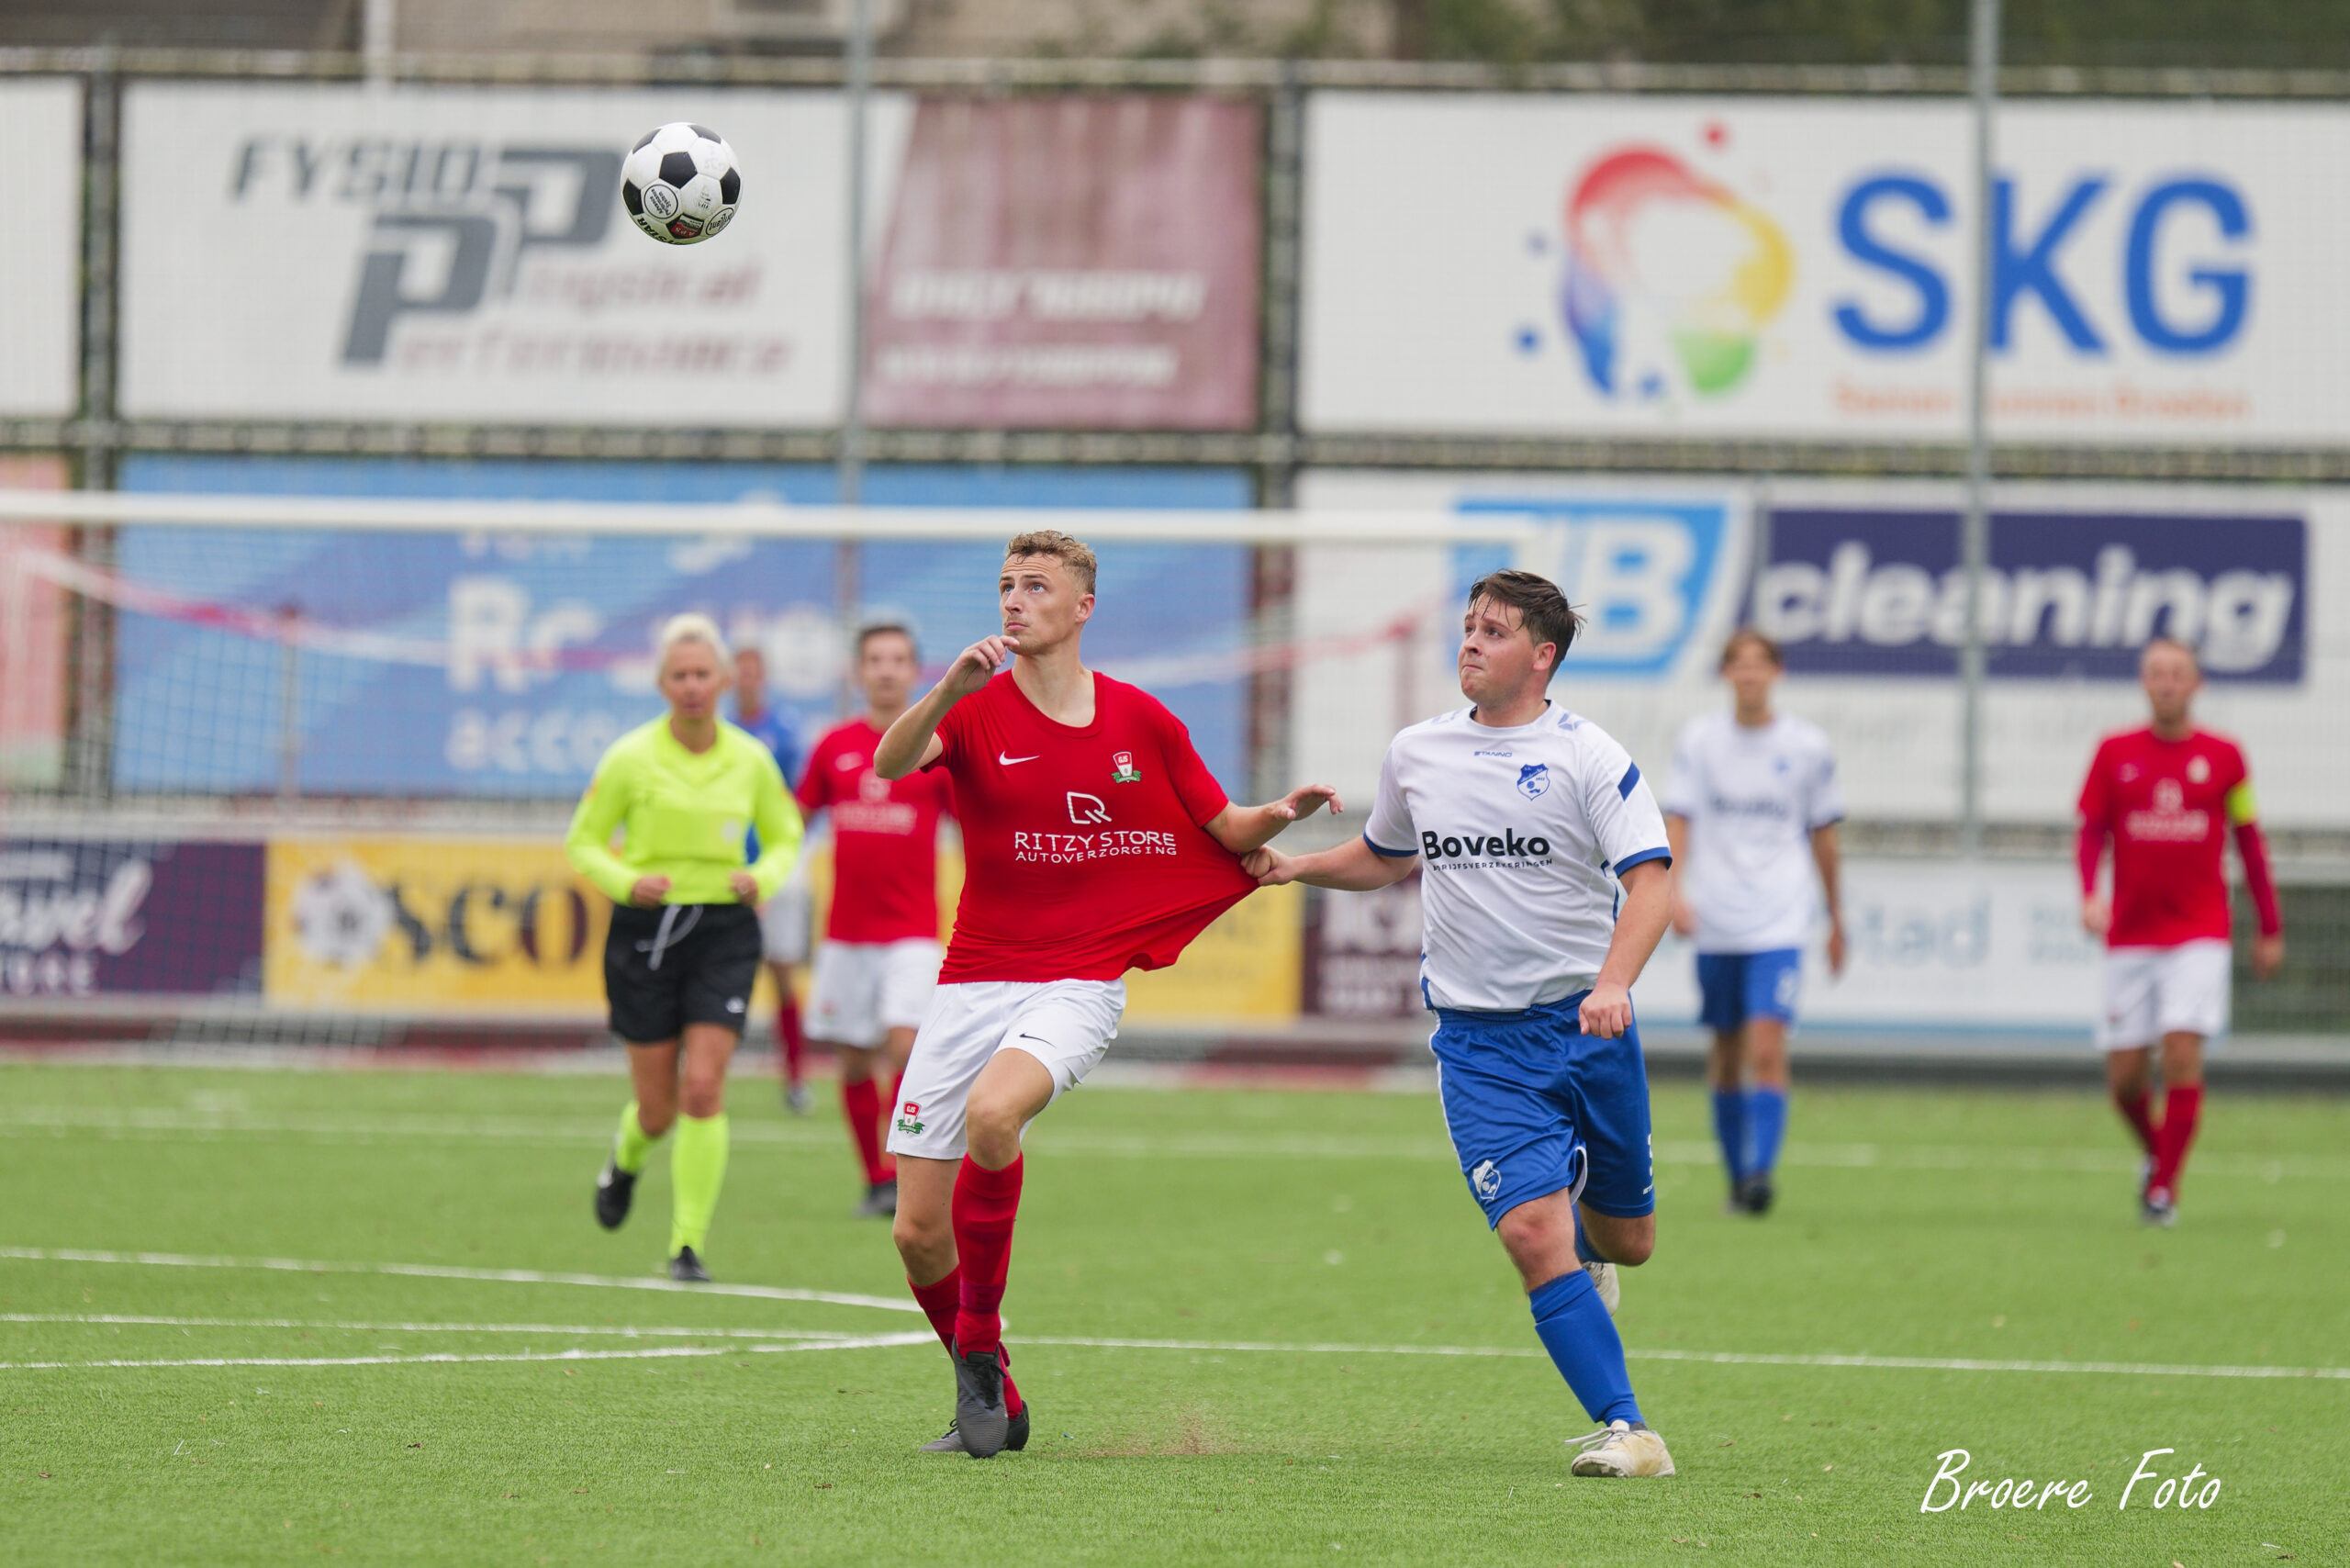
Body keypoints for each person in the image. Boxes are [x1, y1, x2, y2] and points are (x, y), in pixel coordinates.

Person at [873, 529, 1339, 1459]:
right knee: (917, 1232)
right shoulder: (971, 708)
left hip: (1077, 981)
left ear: (1083, 607)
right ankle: (996, 1394)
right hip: (970, 981)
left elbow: (1223, 824)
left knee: (994, 1115)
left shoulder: (1141, 718)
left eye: (1035, 586)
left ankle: (976, 1342)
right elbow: (890, 765)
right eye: (1006, 584)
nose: (1014, 600)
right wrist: (947, 690)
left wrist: (1275, 816)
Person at [1248, 569, 1677, 1481]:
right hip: (1480, 1045)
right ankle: (1629, 1429)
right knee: (1530, 1235)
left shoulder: (1587, 756)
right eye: (1469, 626)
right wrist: (1296, 868)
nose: (1471, 643)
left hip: (1587, 1028)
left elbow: (1651, 883)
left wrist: (1613, 983)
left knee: (1627, 1242)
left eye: (1494, 631)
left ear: (1542, 655)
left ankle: (1591, 1253)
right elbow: (1384, 855)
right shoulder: (1419, 752)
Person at [568, 614, 804, 1282]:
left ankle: (686, 1246)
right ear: (662, 684)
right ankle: (625, 1161)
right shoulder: (629, 757)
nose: (693, 685)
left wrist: (761, 879)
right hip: (645, 933)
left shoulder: (750, 759)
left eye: (703, 674)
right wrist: (626, 881)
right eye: (680, 675)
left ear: (724, 680)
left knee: (703, 1087)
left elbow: (786, 835)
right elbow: (584, 840)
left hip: (724, 930)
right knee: (657, 1109)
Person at [2076, 636, 2283, 1226]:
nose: (2166, 683)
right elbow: (2090, 830)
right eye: (2155, 673)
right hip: (2130, 935)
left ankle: (2164, 1190)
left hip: (2199, 931)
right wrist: (2089, 893)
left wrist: (2269, 925)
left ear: (2196, 684)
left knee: (2181, 1051)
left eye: (2176, 673)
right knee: (2124, 1080)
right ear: (2144, 683)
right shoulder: (2113, 752)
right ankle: (2157, 1154)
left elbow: (2249, 841)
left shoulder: (2226, 757)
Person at [1662, 628, 1845, 1216]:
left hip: (1779, 920)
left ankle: (1761, 1174)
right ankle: (1738, 1178)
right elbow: (1680, 821)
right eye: (1738, 664)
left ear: (1776, 672)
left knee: (1766, 1046)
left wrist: (1836, 916)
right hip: (1717, 918)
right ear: (1726, 674)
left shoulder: (1807, 747)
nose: (1748, 674)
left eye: (1758, 664)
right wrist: (1672, 892)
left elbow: (1824, 836)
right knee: (1725, 1050)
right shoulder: (1701, 742)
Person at [795, 622, 955, 1218]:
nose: (886, 670)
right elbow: (796, 819)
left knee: (905, 1046)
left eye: (897, 660)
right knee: (855, 1058)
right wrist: (765, 875)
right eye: (875, 660)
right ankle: (875, 1179)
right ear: (858, 672)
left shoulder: (934, 749)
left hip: (912, 932)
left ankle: (906, 1168)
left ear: (915, 671)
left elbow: (974, 826)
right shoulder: (833, 746)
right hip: (845, 936)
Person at [734, 644, 815, 1115]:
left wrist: (776, 862)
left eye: (752, 671)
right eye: (739, 672)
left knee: (783, 972)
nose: (745, 679)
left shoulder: (782, 731)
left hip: (777, 868)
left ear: (762, 677)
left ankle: (795, 1077)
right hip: (728, 866)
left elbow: (795, 802)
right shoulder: (720, 730)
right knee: (726, 970)